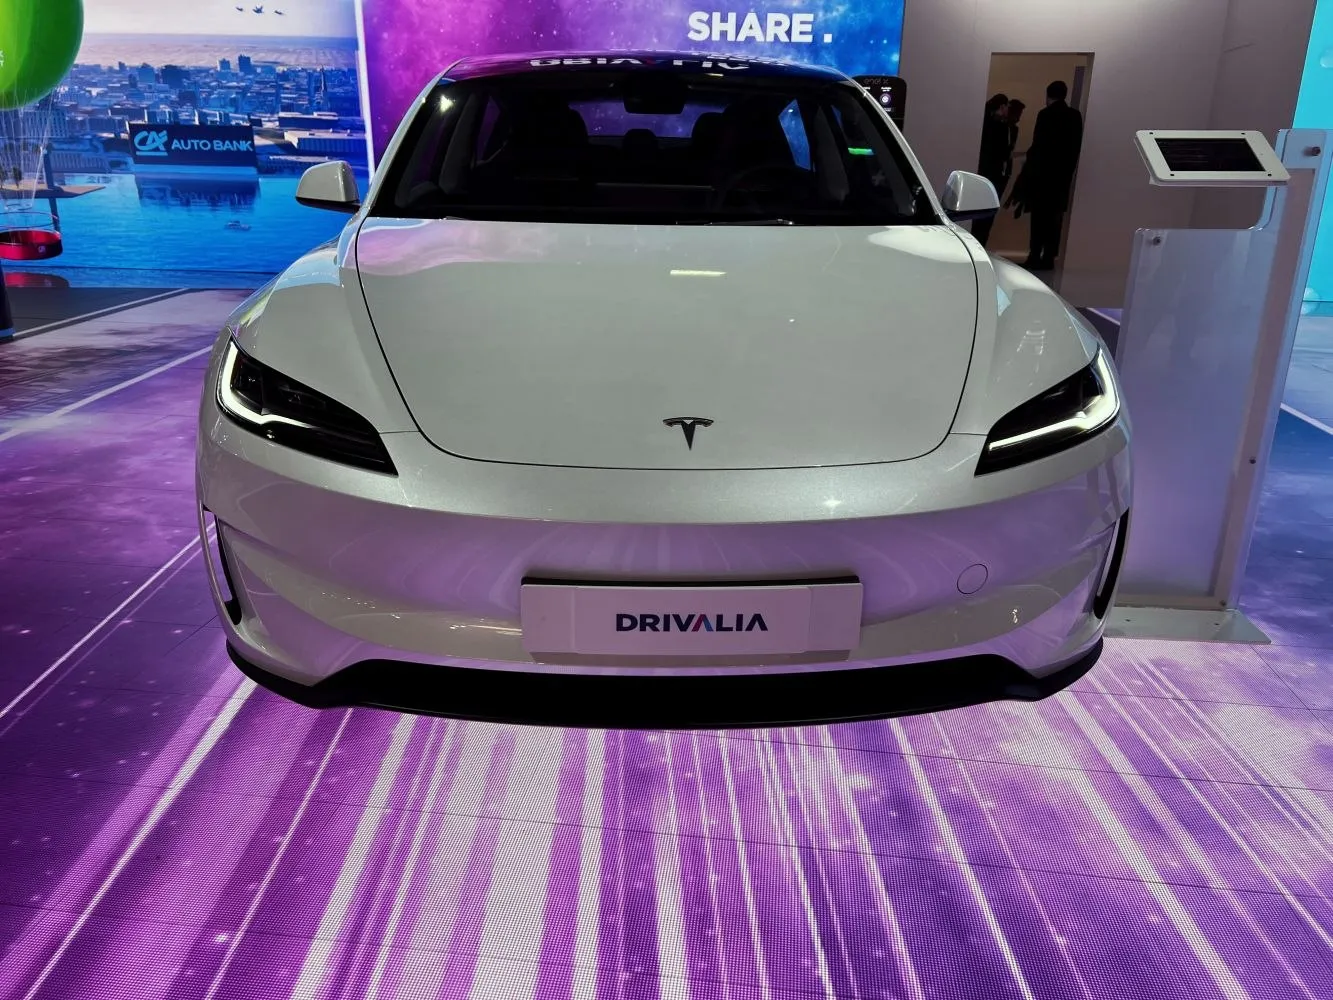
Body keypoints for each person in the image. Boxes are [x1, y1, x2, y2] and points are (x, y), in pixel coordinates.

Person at [1006, 81, 1082, 270]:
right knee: (1055, 218)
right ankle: (1049, 257)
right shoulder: (1075, 116)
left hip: (1042, 176)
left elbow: (1039, 145)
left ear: (1048, 95)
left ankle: (1034, 255)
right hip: (1062, 177)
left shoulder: (1045, 115)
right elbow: (1075, 148)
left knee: (1039, 218)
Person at [970, 94, 1010, 247]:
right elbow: (1004, 153)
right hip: (994, 176)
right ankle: (981, 245)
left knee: (976, 216)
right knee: (986, 218)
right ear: (1002, 106)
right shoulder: (1001, 127)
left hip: (980, 173)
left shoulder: (982, 123)